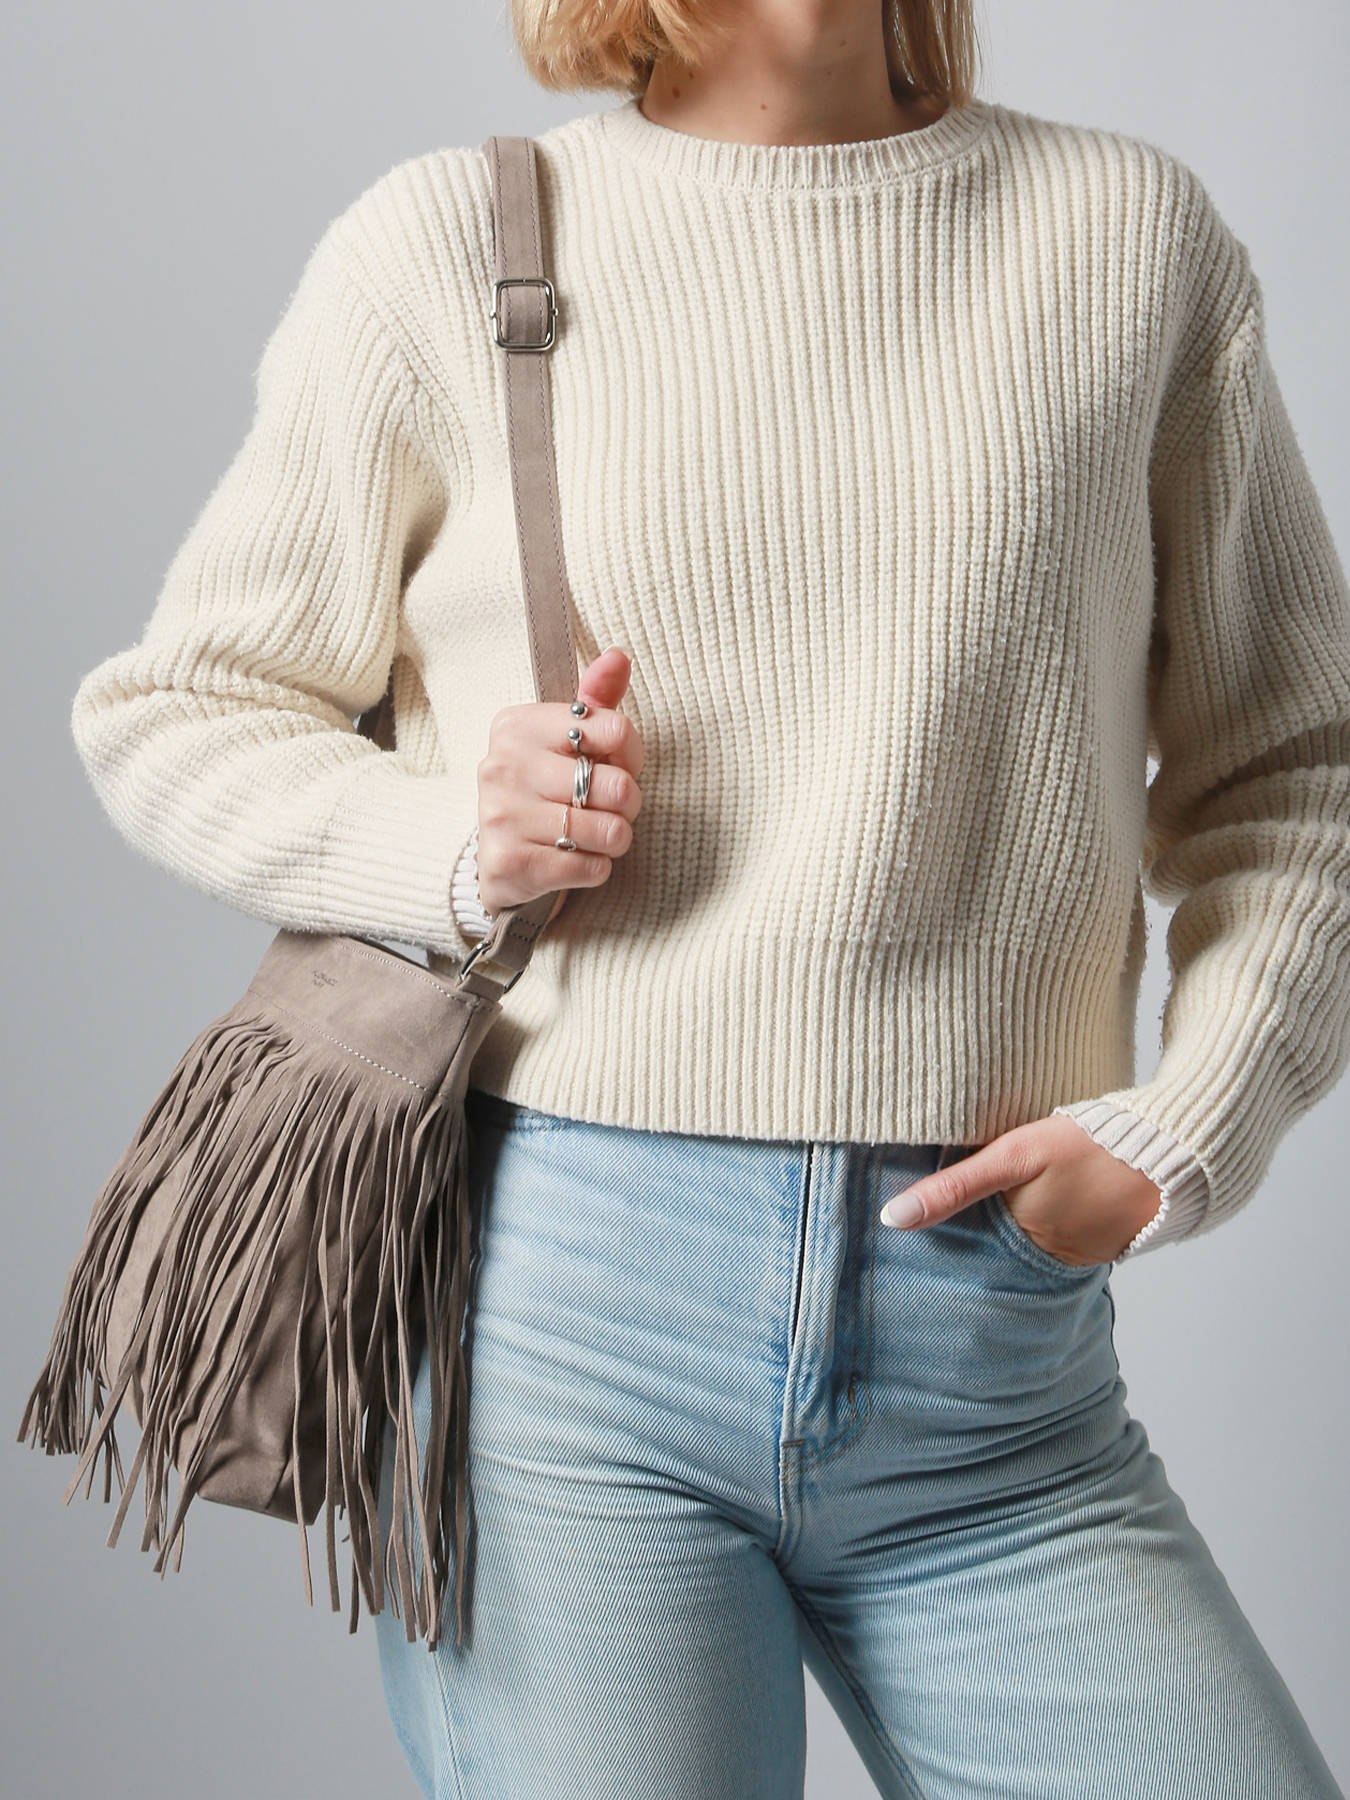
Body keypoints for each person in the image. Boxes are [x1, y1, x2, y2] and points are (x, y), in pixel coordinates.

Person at [67, 1, 1349, 1794]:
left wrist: (1190, 1125)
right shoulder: (449, 243)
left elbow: (1296, 767)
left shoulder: (1127, 239)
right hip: (557, 1321)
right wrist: (454, 843)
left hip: (992, 1351)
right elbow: (178, 710)